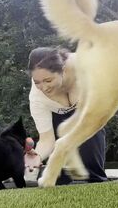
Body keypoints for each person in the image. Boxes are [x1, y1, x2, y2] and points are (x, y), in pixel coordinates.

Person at [27, 46, 109, 185]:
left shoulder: (86, 68)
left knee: (90, 142)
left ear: (62, 70)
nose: (43, 88)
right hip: (58, 116)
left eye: (48, 80)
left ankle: (95, 180)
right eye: (37, 82)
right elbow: (47, 139)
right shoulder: (37, 98)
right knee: (58, 175)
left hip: (88, 112)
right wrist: (37, 157)